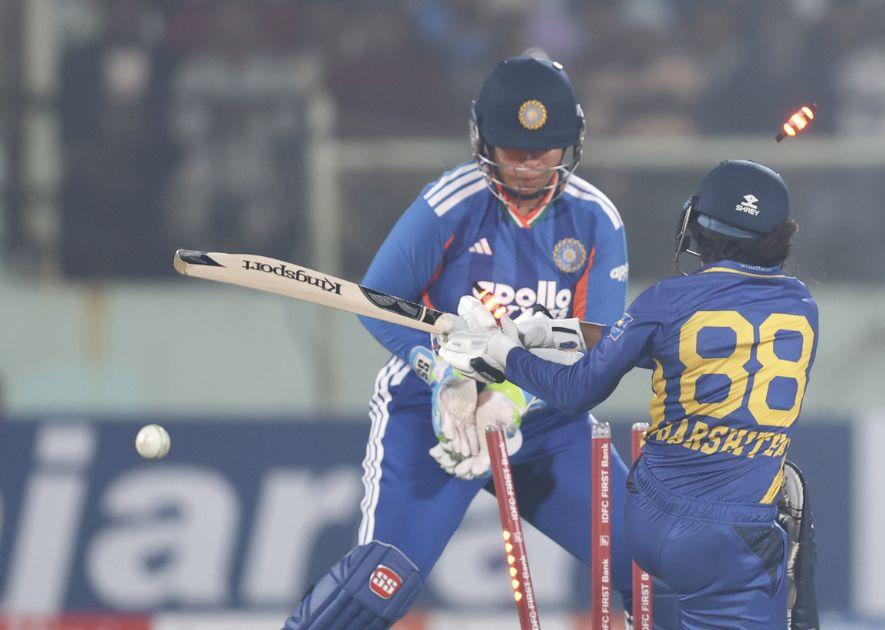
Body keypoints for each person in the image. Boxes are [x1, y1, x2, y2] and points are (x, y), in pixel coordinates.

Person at [283, 55, 679, 628]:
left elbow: (597, 348)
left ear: (572, 141)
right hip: (433, 415)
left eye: (544, 150)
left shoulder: (596, 219)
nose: (528, 165)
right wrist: (441, 374)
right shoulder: (451, 204)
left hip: (549, 425)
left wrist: (515, 396)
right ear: (481, 138)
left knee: (654, 573)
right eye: (512, 149)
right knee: (378, 582)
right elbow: (378, 301)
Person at [441, 159, 821, 628]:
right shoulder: (802, 306)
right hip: (730, 537)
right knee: (781, 535)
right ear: (779, 238)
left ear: (697, 227)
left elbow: (579, 389)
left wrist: (508, 353)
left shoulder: (665, 301)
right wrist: (555, 333)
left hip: (648, 520)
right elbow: (695, 351)